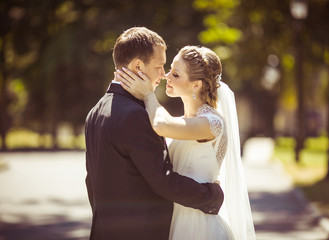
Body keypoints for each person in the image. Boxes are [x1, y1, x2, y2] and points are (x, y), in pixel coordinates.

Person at [85, 27, 225, 240]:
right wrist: (213, 196)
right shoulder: (136, 115)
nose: (163, 74)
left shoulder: (94, 112)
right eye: (159, 66)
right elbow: (162, 181)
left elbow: (91, 182)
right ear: (138, 66)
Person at [116, 45, 256, 239]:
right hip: (176, 221)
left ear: (196, 85)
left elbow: (161, 125)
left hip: (200, 226)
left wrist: (148, 94)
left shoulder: (212, 123)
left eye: (175, 74)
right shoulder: (181, 121)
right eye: (169, 70)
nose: (166, 76)